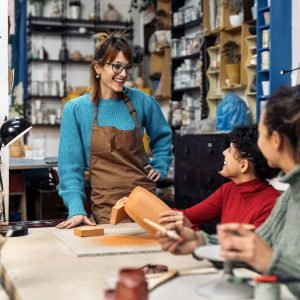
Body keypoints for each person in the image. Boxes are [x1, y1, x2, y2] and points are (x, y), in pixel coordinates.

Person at [157, 85, 300, 298]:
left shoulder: (280, 199)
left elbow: (263, 255)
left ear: (276, 140)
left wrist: (270, 261)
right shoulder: (289, 198)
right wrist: (200, 242)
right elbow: (252, 246)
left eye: (261, 134)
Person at [56, 30, 173, 228]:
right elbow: (70, 168)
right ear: (98, 68)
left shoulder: (143, 101)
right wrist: (76, 209)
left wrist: (160, 164)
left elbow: (163, 136)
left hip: (145, 199)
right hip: (106, 204)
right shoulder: (76, 109)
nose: (124, 74)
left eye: (128, 68)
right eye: (116, 67)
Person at [159, 125, 280, 229]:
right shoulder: (229, 189)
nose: (223, 152)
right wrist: (149, 209)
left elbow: (245, 251)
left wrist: (193, 231)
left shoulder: (272, 204)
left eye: (230, 150)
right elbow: (188, 215)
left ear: (243, 166)